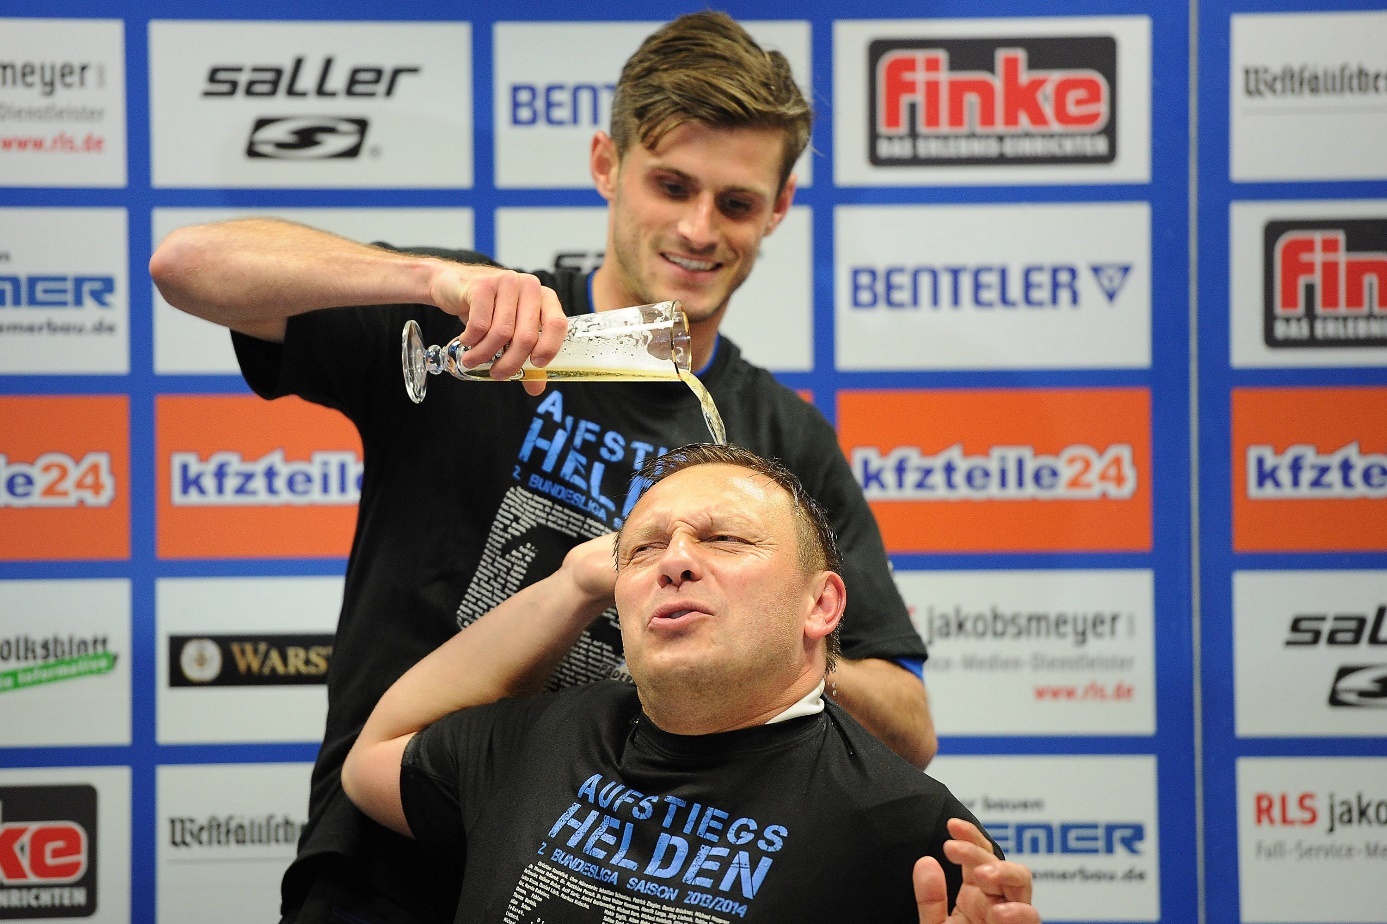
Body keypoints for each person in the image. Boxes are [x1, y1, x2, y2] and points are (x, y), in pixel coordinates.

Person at [150, 11, 936, 924]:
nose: (697, 228)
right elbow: (185, 265)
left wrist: (765, 634)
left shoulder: (782, 438)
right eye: (670, 185)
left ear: (779, 208)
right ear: (606, 164)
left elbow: (907, 726)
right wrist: (427, 280)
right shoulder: (478, 329)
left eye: (735, 202)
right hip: (381, 865)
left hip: (609, 892)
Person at [341, 444, 1038, 924]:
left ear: (822, 604)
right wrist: (574, 582)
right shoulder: (541, 740)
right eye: (644, 549)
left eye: (724, 539)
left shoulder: (911, 830)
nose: (674, 562)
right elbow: (372, 758)